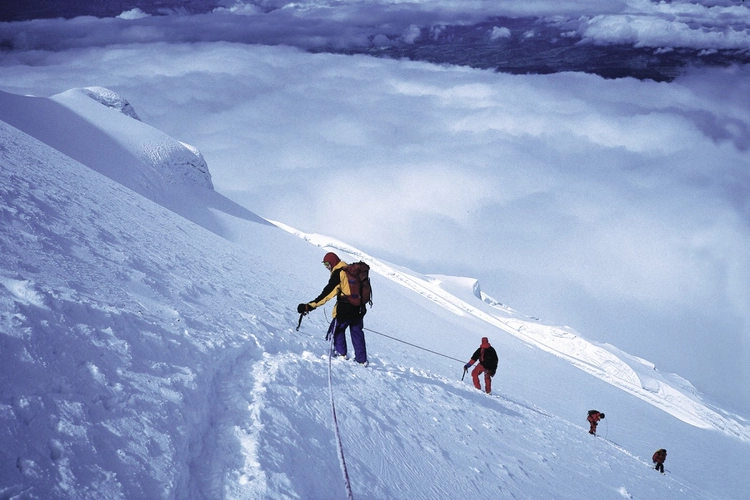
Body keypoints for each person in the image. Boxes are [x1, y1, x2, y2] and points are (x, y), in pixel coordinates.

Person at [298, 252, 368, 365]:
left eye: (327, 263)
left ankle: (341, 354)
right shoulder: (351, 270)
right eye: (324, 264)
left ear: (333, 262)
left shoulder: (339, 273)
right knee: (357, 332)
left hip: (344, 310)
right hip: (359, 309)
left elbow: (326, 294)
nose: (326, 267)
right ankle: (362, 360)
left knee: (336, 331)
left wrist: (309, 306)